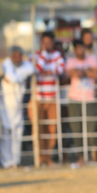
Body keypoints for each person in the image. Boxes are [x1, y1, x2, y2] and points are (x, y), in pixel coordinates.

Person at [65, 38, 97, 163]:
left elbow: (96, 74)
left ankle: (91, 155)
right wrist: (87, 71)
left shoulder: (92, 58)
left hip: (89, 97)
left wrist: (82, 72)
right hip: (75, 98)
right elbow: (71, 74)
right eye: (78, 48)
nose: (80, 50)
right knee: (76, 128)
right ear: (74, 50)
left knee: (90, 127)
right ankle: (80, 156)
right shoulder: (71, 60)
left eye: (82, 47)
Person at [34, 31, 65, 164]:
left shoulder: (56, 55)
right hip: (38, 98)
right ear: (41, 42)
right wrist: (44, 55)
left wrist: (50, 71)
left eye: (49, 42)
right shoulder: (35, 55)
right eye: (45, 42)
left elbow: (62, 69)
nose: (47, 44)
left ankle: (48, 157)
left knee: (52, 129)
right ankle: (40, 157)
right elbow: (36, 69)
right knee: (39, 129)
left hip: (52, 97)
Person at [0, 47, 32, 168]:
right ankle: (6, 162)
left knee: (18, 134)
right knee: (6, 134)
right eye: (15, 55)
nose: (17, 58)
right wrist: (18, 77)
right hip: (5, 107)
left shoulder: (25, 65)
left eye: (20, 55)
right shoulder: (6, 63)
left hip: (18, 107)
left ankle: (16, 161)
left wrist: (16, 76)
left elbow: (31, 70)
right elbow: (12, 77)